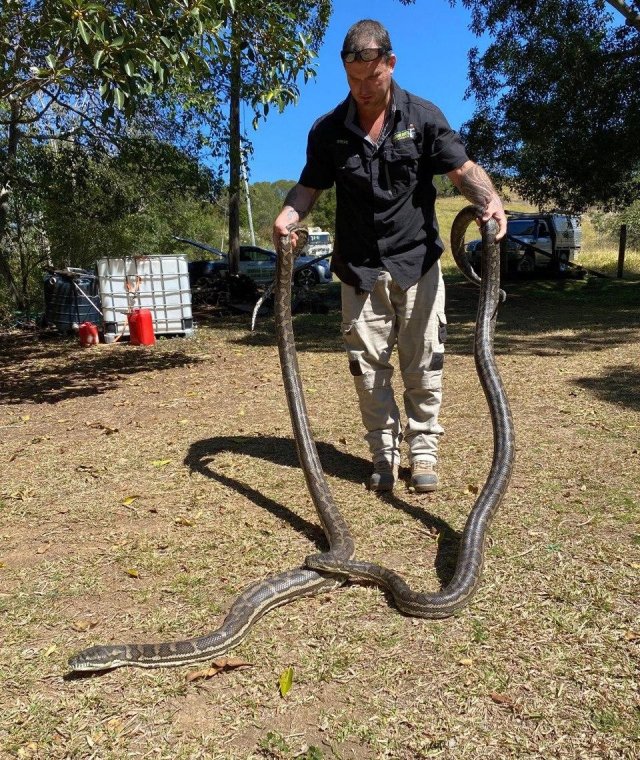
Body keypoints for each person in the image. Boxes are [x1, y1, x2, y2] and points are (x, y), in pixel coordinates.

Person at [273, 18, 506, 493]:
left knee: (424, 363)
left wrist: (489, 200)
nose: (363, 88)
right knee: (368, 370)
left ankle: (423, 452)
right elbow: (308, 187)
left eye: (372, 78)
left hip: (417, 263)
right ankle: (383, 454)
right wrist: (288, 216)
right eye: (354, 80)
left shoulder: (422, 117)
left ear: (390, 64)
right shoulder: (329, 132)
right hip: (358, 269)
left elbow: (462, 169)